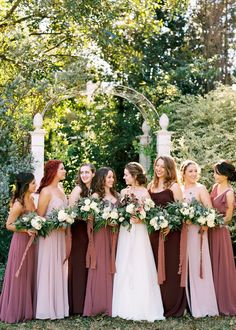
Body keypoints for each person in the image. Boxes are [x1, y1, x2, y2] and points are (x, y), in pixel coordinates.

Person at [112, 162, 164, 322]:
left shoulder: (144, 192)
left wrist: (141, 219)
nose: (123, 177)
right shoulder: (123, 192)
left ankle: (143, 305)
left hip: (140, 232)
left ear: (134, 176)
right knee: (125, 263)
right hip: (126, 232)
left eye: (126, 174)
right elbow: (119, 212)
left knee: (140, 263)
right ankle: (124, 304)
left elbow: (152, 214)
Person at [148, 156, 187, 317]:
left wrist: (170, 225)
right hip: (153, 234)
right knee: (154, 267)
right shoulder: (150, 186)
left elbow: (181, 211)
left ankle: (172, 304)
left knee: (170, 268)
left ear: (169, 169)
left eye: (162, 167)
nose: (158, 169)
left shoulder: (174, 187)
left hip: (171, 235)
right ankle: (157, 304)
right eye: (157, 165)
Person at [181, 160, 218, 318]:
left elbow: (210, 211)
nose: (194, 174)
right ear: (183, 173)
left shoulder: (201, 188)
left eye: (196, 171)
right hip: (183, 232)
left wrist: (202, 223)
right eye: (190, 171)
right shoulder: (180, 189)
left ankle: (203, 305)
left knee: (198, 265)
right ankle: (187, 304)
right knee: (185, 266)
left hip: (197, 233)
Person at [0, 173, 37, 323]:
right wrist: (25, 229)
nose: (36, 185)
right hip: (21, 241)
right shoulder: (18, 204)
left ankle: (27, 308)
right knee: (20, 273)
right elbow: (8, 225)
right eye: (33, 183)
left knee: (29, 272)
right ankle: (16, 309)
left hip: (32, 241)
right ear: (26, 185)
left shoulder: (32, 199)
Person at [35, 160, 69, 320]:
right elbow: (39, 218)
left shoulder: (61, 190)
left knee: (60, 268)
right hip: (49, 237)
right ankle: (46, 308)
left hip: (61, 236)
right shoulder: (46, 191)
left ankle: (59, 307)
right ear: (54, 171)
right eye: (62, 169)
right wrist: (56, 224)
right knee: (49, 268)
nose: (65, 171)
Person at [83, 167, 118, 317]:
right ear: (102, 178)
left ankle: (114, 302)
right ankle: (99, 304)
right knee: (101, 265)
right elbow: (88, 216)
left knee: (114, 263)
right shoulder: (96, 196)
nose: (111, 180)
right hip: (101, 234)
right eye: (108, 177)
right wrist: (103, 220)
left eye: (113, 177)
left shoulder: (117, 195)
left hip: (116, 233)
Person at [208, 160, 236, 315]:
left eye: (217, 173)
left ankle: (225, 301)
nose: (215, 175)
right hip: (211, 229)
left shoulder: (230, 193)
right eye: (214, 172)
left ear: (225, 175)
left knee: (222, 265)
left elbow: (229, 217)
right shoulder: (214, 187)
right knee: (211, 261)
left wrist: (215, 222)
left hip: (220, 231)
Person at [68, 163, 95, 315]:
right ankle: (77, 305)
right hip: (79, 231)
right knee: (79, 264)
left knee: (89, 266)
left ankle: (88, 302)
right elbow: (70, 212)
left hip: (91, 231)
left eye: (87, 172)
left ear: (93, 174)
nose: (84, 175)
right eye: (82, 172)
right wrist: (84, 215)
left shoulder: (95, 190)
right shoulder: (78, 190)